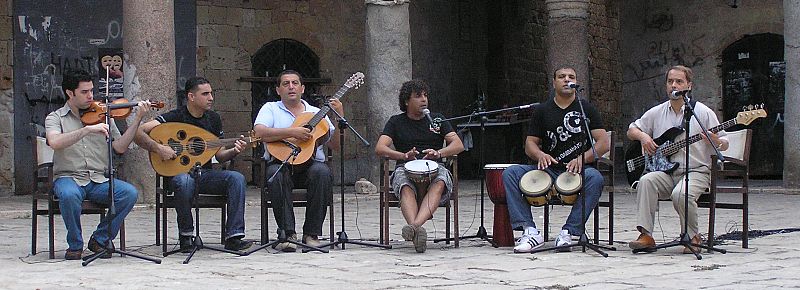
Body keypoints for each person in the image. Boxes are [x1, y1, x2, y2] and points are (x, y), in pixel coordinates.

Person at [45, 69, 152, 260]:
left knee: (129, 193)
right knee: (69, 194)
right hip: (68, 177)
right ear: (70, 93)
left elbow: (119, 147)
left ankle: (100, 239)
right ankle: (75, 245)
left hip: (98, 179)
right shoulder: (55, 118)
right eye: (84, 92)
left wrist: (137, 120)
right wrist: (86, 130)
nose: (91, 96)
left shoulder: (103, 114)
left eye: (92, 91)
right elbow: (55, 142)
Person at [137, 76, 252, 252]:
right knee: (183, 181)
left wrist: (234, 151)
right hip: (179, 175)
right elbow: (139, 132)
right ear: (191, 96)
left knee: (236, 178)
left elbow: (219, 155)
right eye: (205, 94)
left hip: (204, 175)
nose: (211, 98)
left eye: (211, 93)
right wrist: (159, 148)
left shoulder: (213, 119)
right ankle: (186, 235)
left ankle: (234, 237)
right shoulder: (174, 117)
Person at [502, 67, 609, 253]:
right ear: (554, 83)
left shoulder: (586, 109)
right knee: (510, 174)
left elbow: (603, 143)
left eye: (571, 77)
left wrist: (582, 159)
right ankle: (530, 231)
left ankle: (569, 232)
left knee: (596, 178)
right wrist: (540, 155)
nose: (567, 80)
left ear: (576, 82)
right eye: (561, 77)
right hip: (548, 168)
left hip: (578, 170)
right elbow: (530, 144)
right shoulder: (542, 110)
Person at [627, 65, 728, 254]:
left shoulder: (702, 112)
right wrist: (644, 137)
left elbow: (725, 142)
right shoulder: (656, 112)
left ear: (689, 85)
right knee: (646, 181)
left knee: (680, 194)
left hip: (697, 171)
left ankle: (692, 236)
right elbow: (632, 130)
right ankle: (646, 235)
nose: (674, 85)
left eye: (679, 81)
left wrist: (715, 140)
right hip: (667, 172)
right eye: (670, 81)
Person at [253, 70, 344, 252]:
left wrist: (338, 116)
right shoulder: (270, 108)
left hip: (310, 165)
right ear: (278, 90)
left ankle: (311, 234)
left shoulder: (316, 112)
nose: (291, 87)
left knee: (322, 172)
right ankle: (288, 235)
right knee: (275, 176)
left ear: (302, 88)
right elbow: (259, 133)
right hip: (281, 162)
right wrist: (292, 132)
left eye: (295, 83)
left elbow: (335, 145)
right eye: (286, 84)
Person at [375, 79, 465, 253]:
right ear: (407, 101)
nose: (424, 99)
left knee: (440, 182)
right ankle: (418, 230)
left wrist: (439, 153)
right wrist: (402, 155)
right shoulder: (396, 121)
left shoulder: (437, 119)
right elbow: (380, 147)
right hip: (405, 167)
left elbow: (458, 144)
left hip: (434, 166)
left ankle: (414, 227)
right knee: (405, 187)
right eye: (418, 96)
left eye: (425, 95)